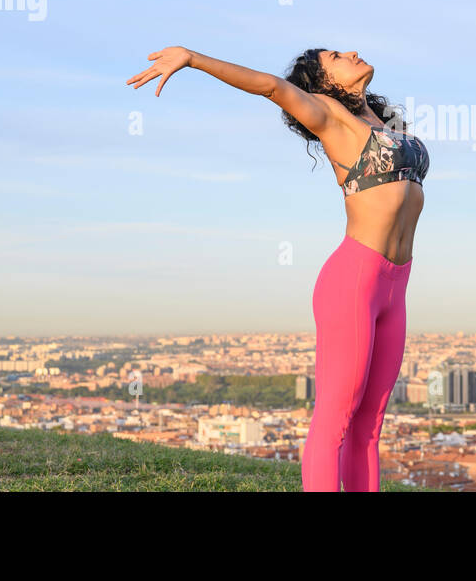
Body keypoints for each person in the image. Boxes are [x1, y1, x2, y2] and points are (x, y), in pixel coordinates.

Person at [126, 46, 429, 491]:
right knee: (335, 420)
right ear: (322, 81)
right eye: (336, 55)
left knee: (371, 423)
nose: (353, 52)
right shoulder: (328, 115)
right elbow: (271, 86)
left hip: (396, 285)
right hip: (355, 280)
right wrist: (191, 59)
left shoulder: (385, 123)